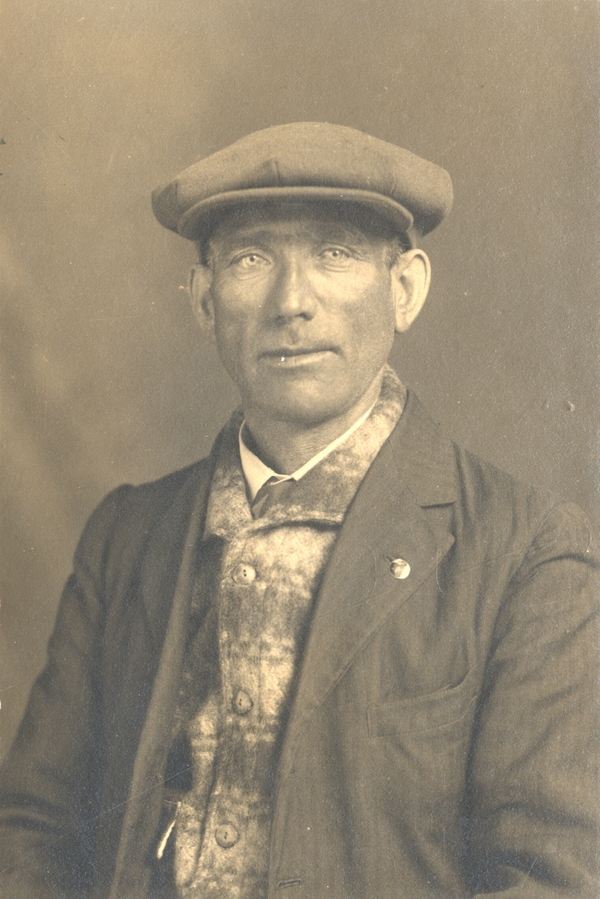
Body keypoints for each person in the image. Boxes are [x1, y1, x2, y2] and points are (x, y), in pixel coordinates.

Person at [0, 122, 597, 899]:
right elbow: (34, 829)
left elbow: (552, 877)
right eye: (252, 258)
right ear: (207, 300)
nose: (292, 302)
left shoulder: (525, 553)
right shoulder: (126, 536)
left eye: (335, 252)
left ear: (406, 288)